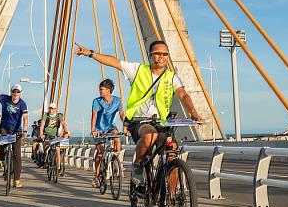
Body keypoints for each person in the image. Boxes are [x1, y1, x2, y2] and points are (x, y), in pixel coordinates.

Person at [75, 40, 203, 186]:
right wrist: (90, 53)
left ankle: (172, 199)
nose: (161, 57)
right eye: (157, 54)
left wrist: (193, 112)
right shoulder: (138, 70)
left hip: (161, 122)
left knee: (172, 152)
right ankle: (138, 165)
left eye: (165, 54)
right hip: (138, 120)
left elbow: (183, 95)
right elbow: (114, 62)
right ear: (150, 56)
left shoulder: (172, 77)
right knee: (150, 135)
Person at [91, 78, 125, 188]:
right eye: (99, 89)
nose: (99, 91)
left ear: (109, 90)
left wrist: (126, 127)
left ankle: (116, 160)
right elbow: (94, 115)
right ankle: (96, 175)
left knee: (117, 137)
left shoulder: (117, 101)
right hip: (99, 129)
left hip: (110, 127)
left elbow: (121, 115)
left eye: (102, 89)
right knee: (100, 152)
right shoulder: (97, 101)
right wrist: (93, 130)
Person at [41, 100, 68, 171]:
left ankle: (58, 167)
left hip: (55, 136)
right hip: (47, 134)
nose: (51, 110)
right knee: (45, 145)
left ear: (55, 109)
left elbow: (63, 124)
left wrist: (66, 131)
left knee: (57, 149)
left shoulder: (59, 116)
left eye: (52, 108)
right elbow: (42, 125)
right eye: (50, 108)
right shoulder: (46, 115)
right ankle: (45, 157)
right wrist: (41, 134)